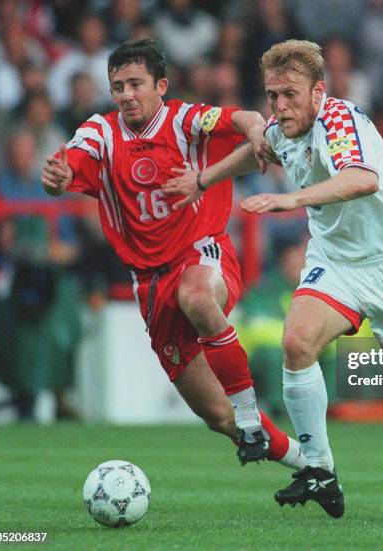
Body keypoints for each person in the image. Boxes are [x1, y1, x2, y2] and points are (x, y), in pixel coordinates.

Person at [164, 39, 383, 518]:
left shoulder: (338, 119)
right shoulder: (284, 124)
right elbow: (258, 149)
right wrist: (204, 179)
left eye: (290, 95)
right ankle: (319, 468)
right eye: (272, 95)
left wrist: (291, 201)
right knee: (297, 343)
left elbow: (361, 178)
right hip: (337, 261)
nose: (280, 106)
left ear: (318, 92)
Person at [41, 39, 305, 470]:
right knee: (216, 416)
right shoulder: (100, 133)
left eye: (135, 84)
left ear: (161, 85)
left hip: (202, 252)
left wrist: (257, 130)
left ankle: (247, 407)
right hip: (149, 283)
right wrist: (57, 178)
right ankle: (309, 464)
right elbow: (65, 170)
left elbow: (244, 117)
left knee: (197, 295)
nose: (126, 94)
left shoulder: (185, 120)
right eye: (118, 86)